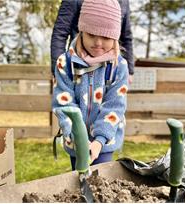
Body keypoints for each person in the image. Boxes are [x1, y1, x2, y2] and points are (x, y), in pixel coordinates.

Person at [52, 0, 128, 171]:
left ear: (115, 37)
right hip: (75, 141)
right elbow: (64, 103)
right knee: (79, 179)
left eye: (106, 37)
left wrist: (99, 141)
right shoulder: (65, 63)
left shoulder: (118, 67)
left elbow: (114, 107)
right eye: (92, 35)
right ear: (81, 32)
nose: (98, 43)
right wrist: (78, 138)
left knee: (101, 181)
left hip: (105, 141)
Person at [51, 0, 134, 83]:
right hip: (77, 66)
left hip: (110, 69)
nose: (98, 42)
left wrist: (129, 71)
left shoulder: (123, 2)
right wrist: (58, 71)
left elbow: (126, 37)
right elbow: (60, 33)